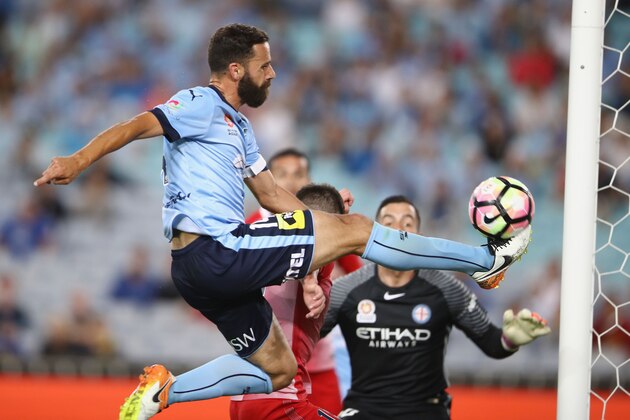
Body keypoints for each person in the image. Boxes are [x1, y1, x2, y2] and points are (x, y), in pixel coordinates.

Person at [33, 23, 531, 420]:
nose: (272, 74)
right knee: (359, 228)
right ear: (234, 69)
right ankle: (483, 259)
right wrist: (78, 161)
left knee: (276, 368)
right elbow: (136, 124)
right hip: (216, 249)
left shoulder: (241, 128)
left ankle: (165, 392)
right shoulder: (199, 103)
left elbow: (272, 195)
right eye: (264, 65)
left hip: (197, 269)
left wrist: (325, 226)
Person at [321, 195, 550, 420]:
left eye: (407, 224)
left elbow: (492, 343)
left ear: (418, 237)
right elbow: (305, 338)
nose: (397, 231)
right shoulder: (346, 290)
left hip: (425, 410)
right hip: (364, 409)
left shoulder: (445, 288)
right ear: (375, 236)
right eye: (388, 224)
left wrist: (510, 339)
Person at [245, 148, 361, 414]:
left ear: (309, 179)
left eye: (299, 174)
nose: (291, 181)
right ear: (269, 181)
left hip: (320, 364)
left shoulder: (327, 225)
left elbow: (357, 277)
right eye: (282, 174)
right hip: (270, 365)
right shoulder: (252, 226)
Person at [231, 183, 345, 420]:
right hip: (282, 400)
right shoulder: (317, 255)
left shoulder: (259, 255)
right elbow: (315, 247)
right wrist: (310, 281)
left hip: (242, 399)